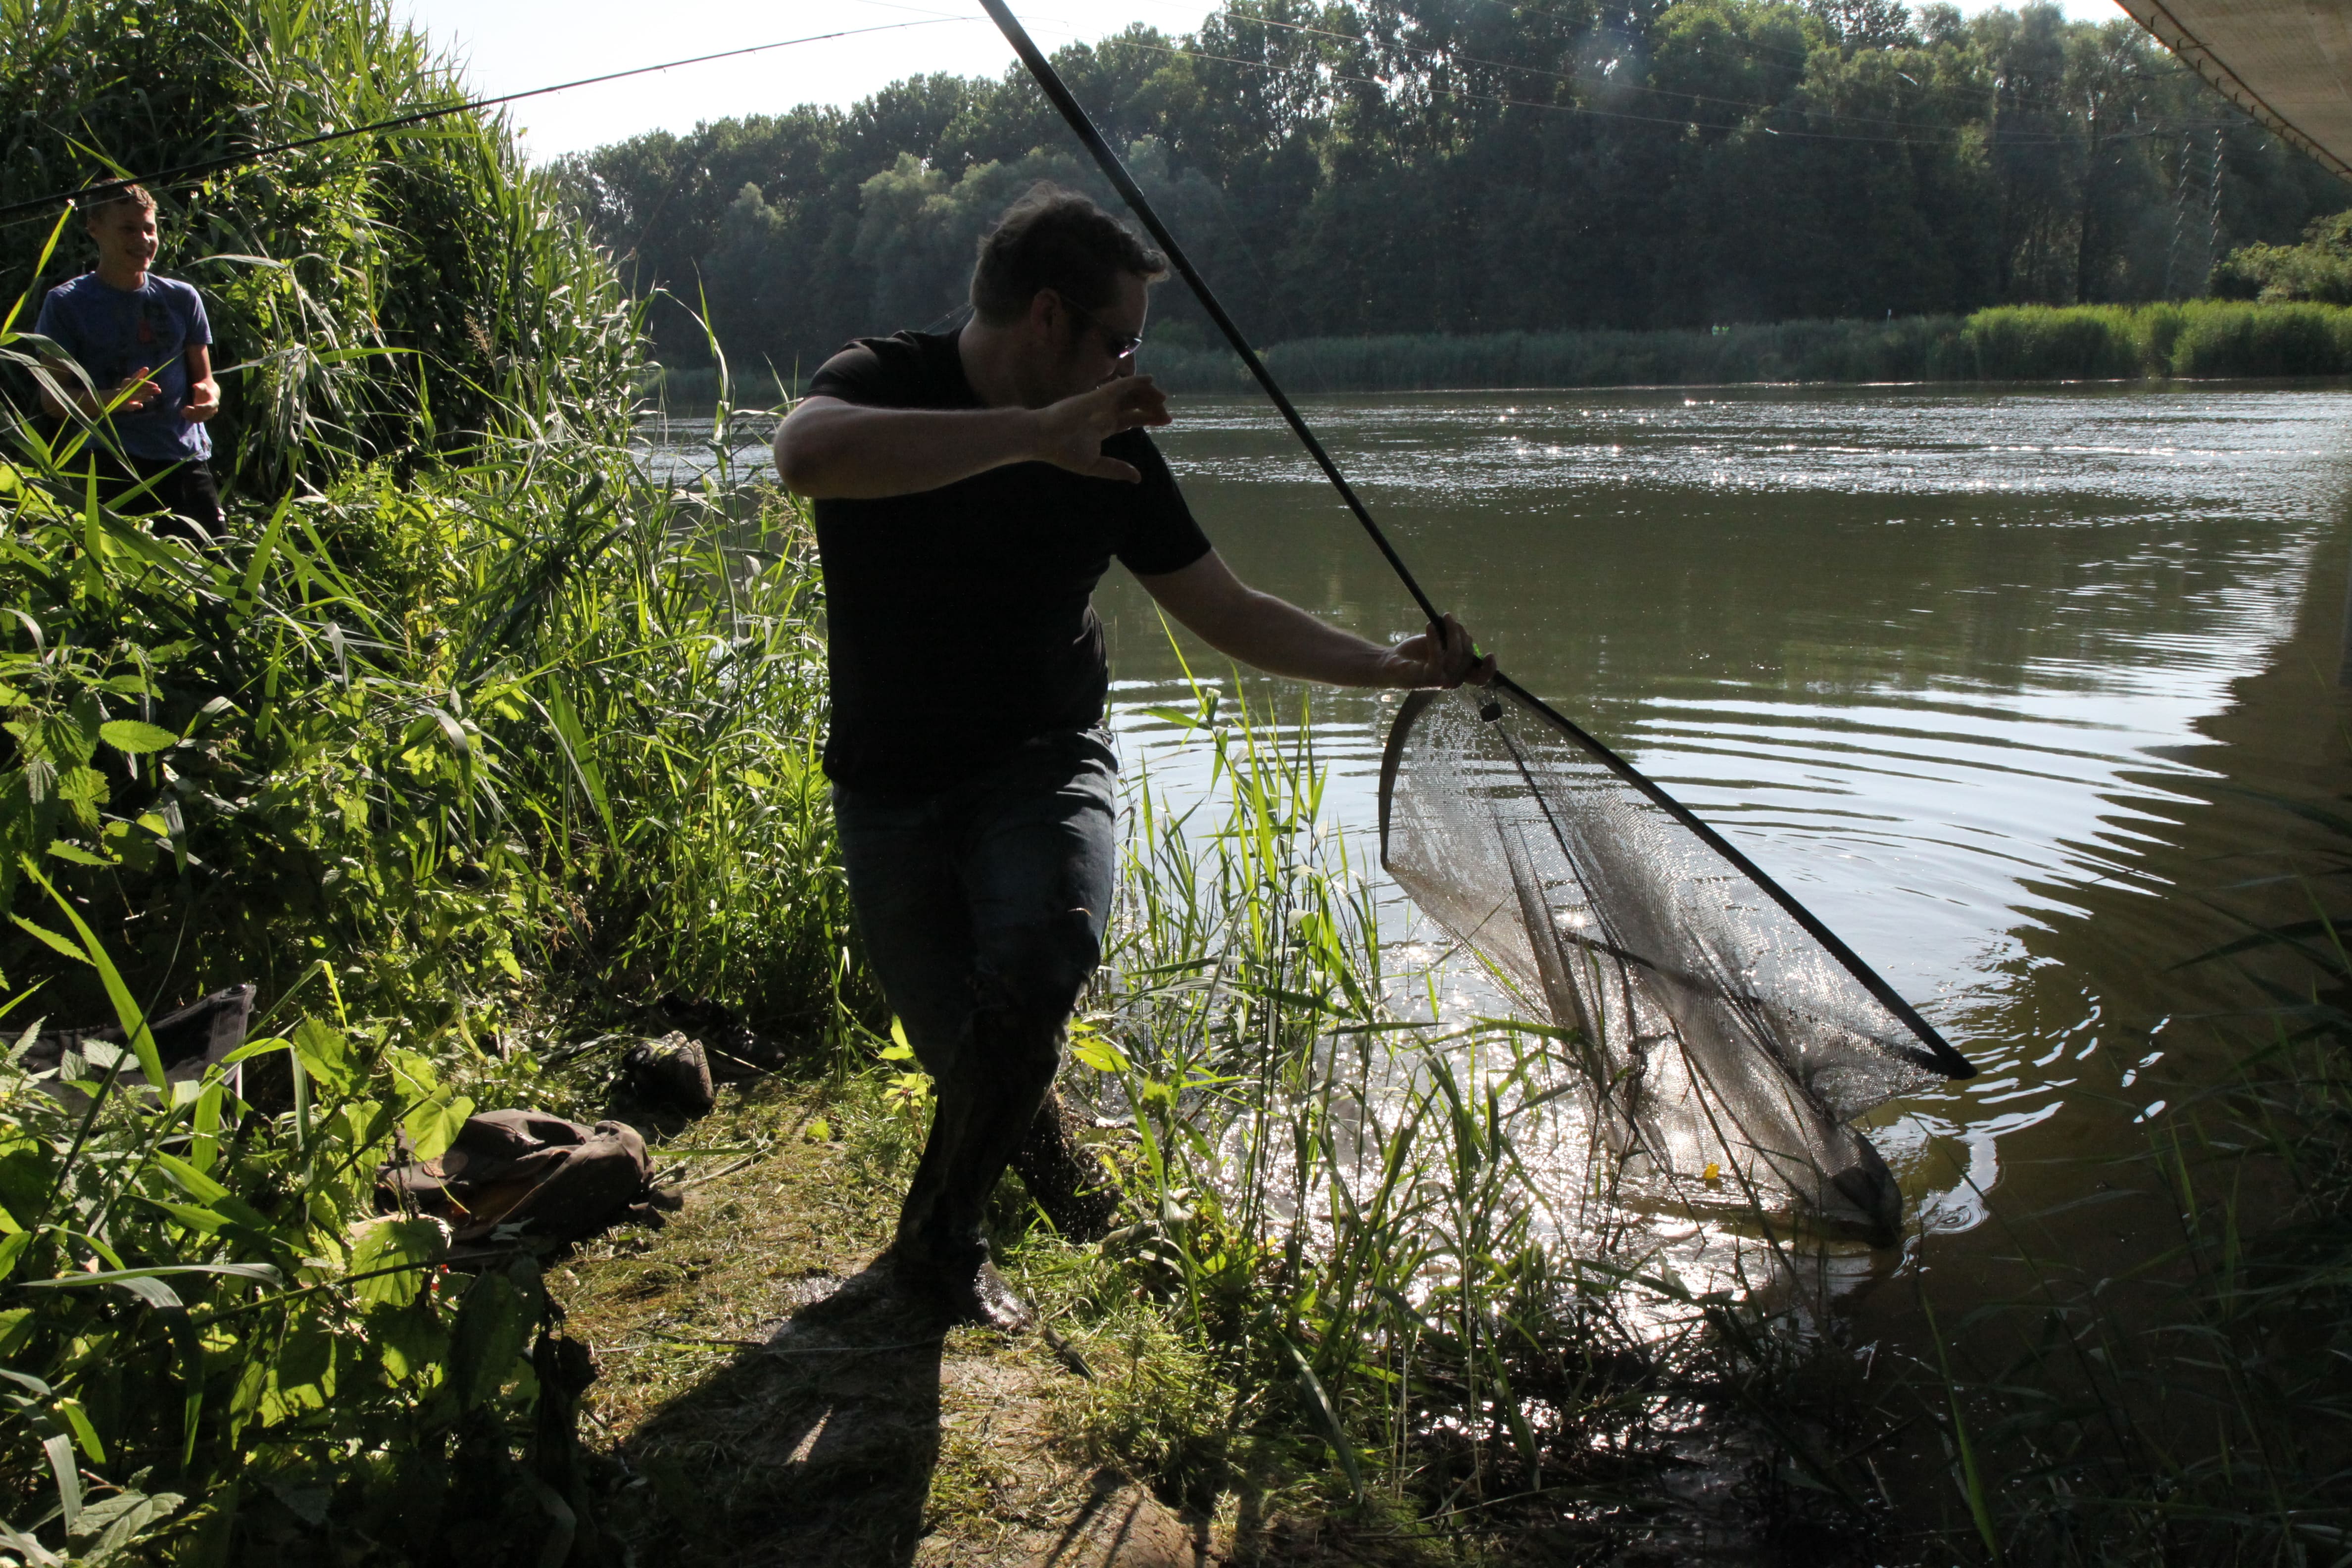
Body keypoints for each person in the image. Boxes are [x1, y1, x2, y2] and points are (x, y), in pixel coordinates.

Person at [773, 183, 1492, 1331]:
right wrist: (1032, 437)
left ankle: (936, 1256)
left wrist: (1392, 668)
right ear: (1047, 317)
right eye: (1120, 341)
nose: (1129, 368)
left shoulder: (1115, 448)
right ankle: (1065, 1195)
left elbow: (1229, 609)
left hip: (1040, 763)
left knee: (1043, 956)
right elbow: (806, 457)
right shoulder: (884, 376)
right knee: (972, 1056)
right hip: (887, 788)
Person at [35, 184, 224, 540]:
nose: (143, 239)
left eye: (149, 229)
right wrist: (113, 399)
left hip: (184, 459)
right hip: (112, 463)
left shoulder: (182, 298)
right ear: (94, 228)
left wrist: (209, 399)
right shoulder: (66, 304)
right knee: (120, 569)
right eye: (128, 229)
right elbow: (54, 401)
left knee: (215, 564)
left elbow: (206, 380)